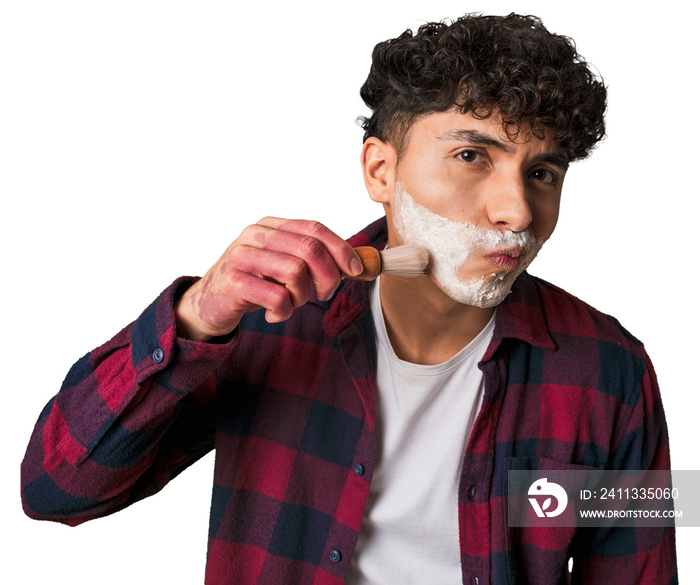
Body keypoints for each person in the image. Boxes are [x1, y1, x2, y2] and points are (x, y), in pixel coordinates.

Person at [21, 12, 677, 585]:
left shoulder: (614, 373)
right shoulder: (267, 320)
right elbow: (54, 488)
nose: (516, 211)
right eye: (473, 154)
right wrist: (195, 317)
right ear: (380, 171)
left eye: (542, 173)